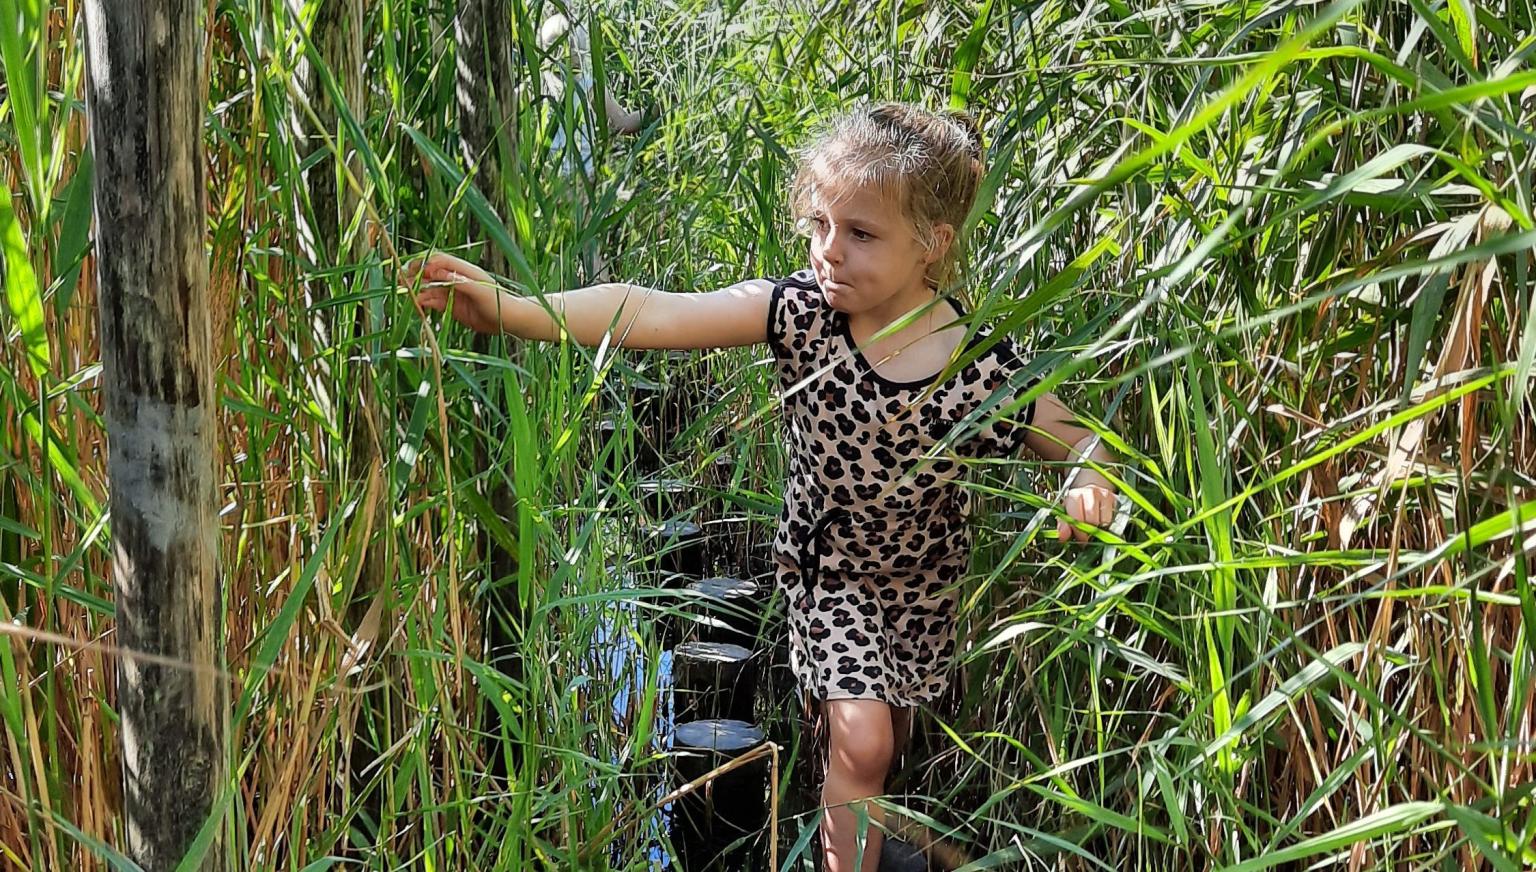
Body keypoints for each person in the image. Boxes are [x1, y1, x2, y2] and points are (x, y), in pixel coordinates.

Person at [400, 102, 1122, 872]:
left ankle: (860, 815)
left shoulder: (978, 367)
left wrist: (1086, 481)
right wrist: (515, 309)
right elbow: (649, 309)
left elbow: (1075, 437)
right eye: (819, 226)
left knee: (881, 751)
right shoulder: (801, 316)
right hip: (828, 574)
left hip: (923, 593)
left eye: (861, 234)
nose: (828, 253)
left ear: (932, 246)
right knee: (865, 740)